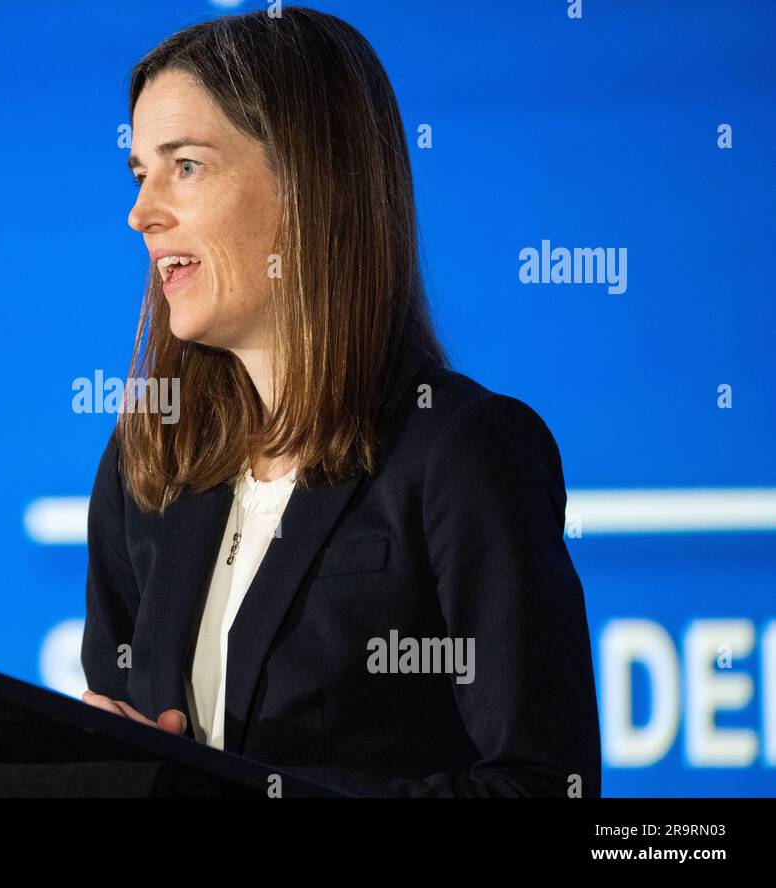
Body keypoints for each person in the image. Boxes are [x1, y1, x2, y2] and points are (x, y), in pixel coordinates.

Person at [79, 6, 601, 798]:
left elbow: (541, 786)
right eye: (138, 172)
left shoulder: (463, 452)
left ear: (306, 178)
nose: (141, 212)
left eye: (184, 165)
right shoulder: (150, 462)